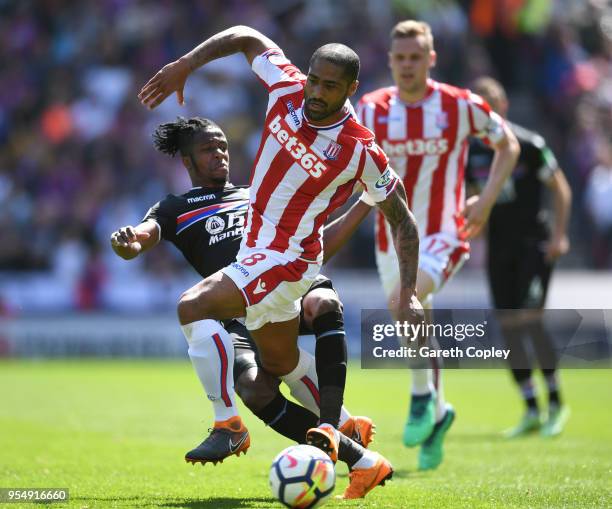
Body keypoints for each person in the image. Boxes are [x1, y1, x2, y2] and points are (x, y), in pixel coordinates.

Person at [138, 28, 423, 497]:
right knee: (281, 365)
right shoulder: (288, 88)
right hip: (257, 254)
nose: (315, 92)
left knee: (192, 306)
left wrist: (408, 292)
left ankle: (227, 424)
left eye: (330, 86)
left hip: (287, 261)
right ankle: (363, 458)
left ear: (351, 88)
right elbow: (247, 37)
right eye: (314, 80)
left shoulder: (359, 149)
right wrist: (186, 64)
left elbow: (404, 220)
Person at [110, 116, 376, 472]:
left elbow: (316, 247)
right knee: (254, 388)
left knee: (322, 303)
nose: (220, 154)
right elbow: (141, 237)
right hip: (238, 310)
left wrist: (367, 201)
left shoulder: (260, 194)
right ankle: (350, 447)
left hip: (287, 283)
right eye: (208, 149)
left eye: (222, 146)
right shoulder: (174, 208)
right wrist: (127, 242)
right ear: (187, 162)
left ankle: (333, 419)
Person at [328, 20, 520, 471]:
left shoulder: (459, 106)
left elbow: (507, 144)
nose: (408, 65)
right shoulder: (371, 109)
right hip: (388, 235)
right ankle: (439, 414)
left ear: (431, 59)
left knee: (404, 301)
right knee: (416, 319)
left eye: (417, 57)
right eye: (401, 57)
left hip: (444, 231)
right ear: (390, 60)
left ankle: (419, 398)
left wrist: (486, 201)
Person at [466, 76, 572, 438]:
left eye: (490, 104)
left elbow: (560, 189)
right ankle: (530, 408)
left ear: (504, 106)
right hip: (500, 247)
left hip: (534, 244)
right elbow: (472, 198)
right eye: (478, 107)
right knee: (509, 325)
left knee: (530, 319)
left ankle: (556, 403)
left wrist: (559, 236)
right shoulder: (473, 152)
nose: (486, 112)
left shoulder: (528, 144)